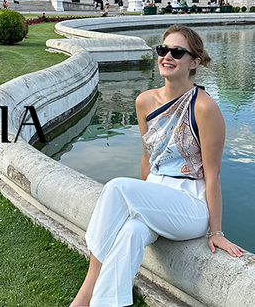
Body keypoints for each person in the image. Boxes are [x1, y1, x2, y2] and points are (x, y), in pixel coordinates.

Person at [68, 24, 245, 307]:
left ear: (194, 62)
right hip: (155, 196)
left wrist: (216, 232)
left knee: (116, 188)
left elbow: (213, 176)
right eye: (163, 50)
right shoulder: (144, 101)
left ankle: (85, 293)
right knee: (129, 234)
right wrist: (142, 201)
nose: (167, 56)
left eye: (177, 52)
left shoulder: (205, 107)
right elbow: (146, 159)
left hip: (189, 206)